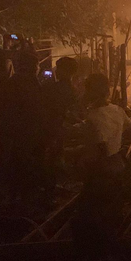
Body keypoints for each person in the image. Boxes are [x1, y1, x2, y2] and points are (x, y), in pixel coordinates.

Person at [71, 74, 131, 261]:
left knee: (83, 219)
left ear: (89, 91)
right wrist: (118, 146)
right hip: (117, 167)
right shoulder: (116, 110)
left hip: (101, 172)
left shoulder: (93, 118)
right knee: (110, 216)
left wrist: (79, 157)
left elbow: (100, 149)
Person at [0, 50, 47, 203]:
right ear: (32, 66)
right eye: (37, 65)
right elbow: (36, 108)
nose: (38, 68)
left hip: (18, 130)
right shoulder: (29, 83)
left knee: (18, 163)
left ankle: (17, 196)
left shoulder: (15, 81)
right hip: (26, 130)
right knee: (26, 164)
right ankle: (25, 198)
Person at [42, 57, 81, 201]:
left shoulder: (54, 89)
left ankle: (51, 191)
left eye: (59, 68)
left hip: (53, 129)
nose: (56, 71)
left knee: (51, 159)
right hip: (61, 129)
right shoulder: (73, 90)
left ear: (65, 71)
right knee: (56, 157)